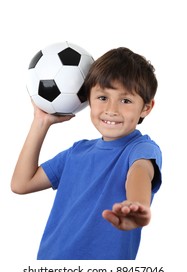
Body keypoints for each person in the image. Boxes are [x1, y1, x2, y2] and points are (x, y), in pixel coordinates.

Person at [11, 47, 162, 260]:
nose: (112, 109)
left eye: (125, 100)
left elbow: (140, 172)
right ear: (88, 99)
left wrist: (136, 204)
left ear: (146, 107)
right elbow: (21, 184)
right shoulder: (76, 152)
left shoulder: (140, 149)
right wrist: (41, 121)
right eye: (102, 97)